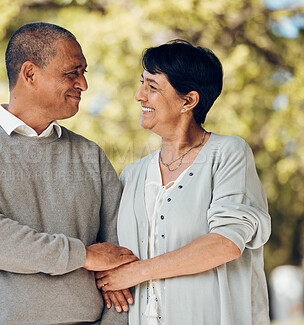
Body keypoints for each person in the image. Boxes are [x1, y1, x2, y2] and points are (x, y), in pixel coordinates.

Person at [0, 22, 137, 325]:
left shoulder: (90, 154)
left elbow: (120, 258)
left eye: (84, 72)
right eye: (72, 72)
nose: (83, 84)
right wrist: (84, 255)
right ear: (30, 74)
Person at [96, 40, 271, 324]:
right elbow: (114, 255)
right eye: (142, 84)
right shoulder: (132, 174)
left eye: (152, 87)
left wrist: (137, 272)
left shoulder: (228, 153)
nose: (140, 95)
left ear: (188, 101)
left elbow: (225, 243)